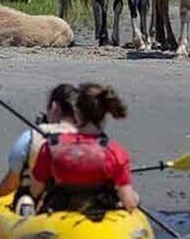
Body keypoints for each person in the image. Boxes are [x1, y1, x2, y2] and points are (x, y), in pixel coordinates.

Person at [31, 82, 139, 219]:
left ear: (77, 112)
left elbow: (36, 189)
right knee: (134, 196)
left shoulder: (52, 145)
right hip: (101, 214)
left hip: (59, 212)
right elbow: (129, 202)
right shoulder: (115, 152)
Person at [0, 84, 78, 215]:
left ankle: (26, 205)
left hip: (41, 200)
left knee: (25, 196)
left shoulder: (30, 137)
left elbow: (11, 184)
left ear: (54, 107)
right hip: (78, 200)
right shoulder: (92, 138)